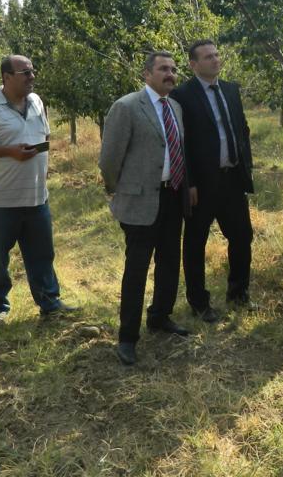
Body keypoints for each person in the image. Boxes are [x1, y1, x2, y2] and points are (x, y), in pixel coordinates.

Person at [0, 55, 76, 321]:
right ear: (6, 77)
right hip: (1, 199)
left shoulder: (37, 101)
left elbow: (44, 137)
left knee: (42, 254)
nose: (32, 77)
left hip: (37, 195)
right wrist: (9, 152)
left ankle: (49, 303)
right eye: (25, 73)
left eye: (32, 71)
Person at [99, 51, 192, 365]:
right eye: (163, 69)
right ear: (146, 74)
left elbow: (178, 151)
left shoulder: (175, 107)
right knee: (136, 269)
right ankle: (127, 337)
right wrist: (119, 190)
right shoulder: (127, 107)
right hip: (140, 200)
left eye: (173, 69)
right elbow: (109, 159)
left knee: (169, 261)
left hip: (171, 196)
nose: (170, 74)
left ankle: (160, 316)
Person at [170, 39, 254, 321]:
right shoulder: (182, 95)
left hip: (231, 179)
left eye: (217, 55)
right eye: (208, 57)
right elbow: (181, 143)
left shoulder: (230, 90)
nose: (215, 60)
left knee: (242, 236)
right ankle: (199, 302)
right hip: (202, 184)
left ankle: (239, 293)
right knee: (195, 243)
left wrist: (246, 167)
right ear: (193, 65)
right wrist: (189, 182)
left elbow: (241, 129)